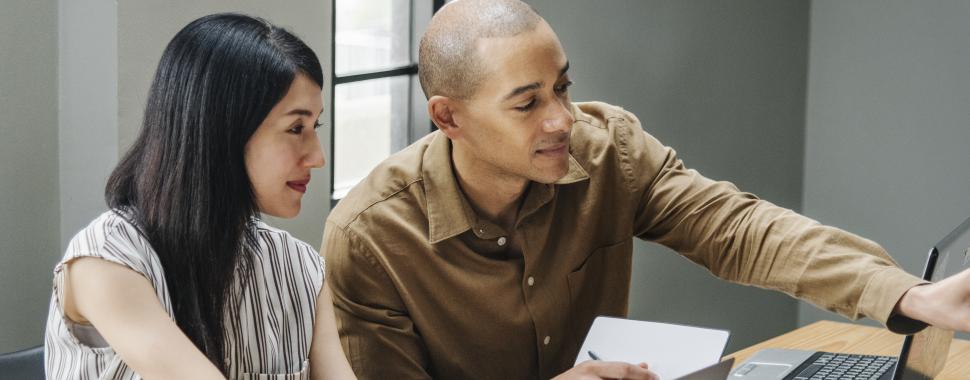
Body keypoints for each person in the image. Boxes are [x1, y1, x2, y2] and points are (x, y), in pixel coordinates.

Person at [321, 1, 970, 379]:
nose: (562, 119)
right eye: (527, 104)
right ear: (448, 118)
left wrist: (909, 294)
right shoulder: (371, 237)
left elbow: (737, 229)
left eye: (563, 87)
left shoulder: (607, 150)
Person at [44, 13, 356, 380]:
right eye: (295, 128)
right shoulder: (106, 261)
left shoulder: (300, 270)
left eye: (315, 126)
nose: (318, 157)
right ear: (219, 132)